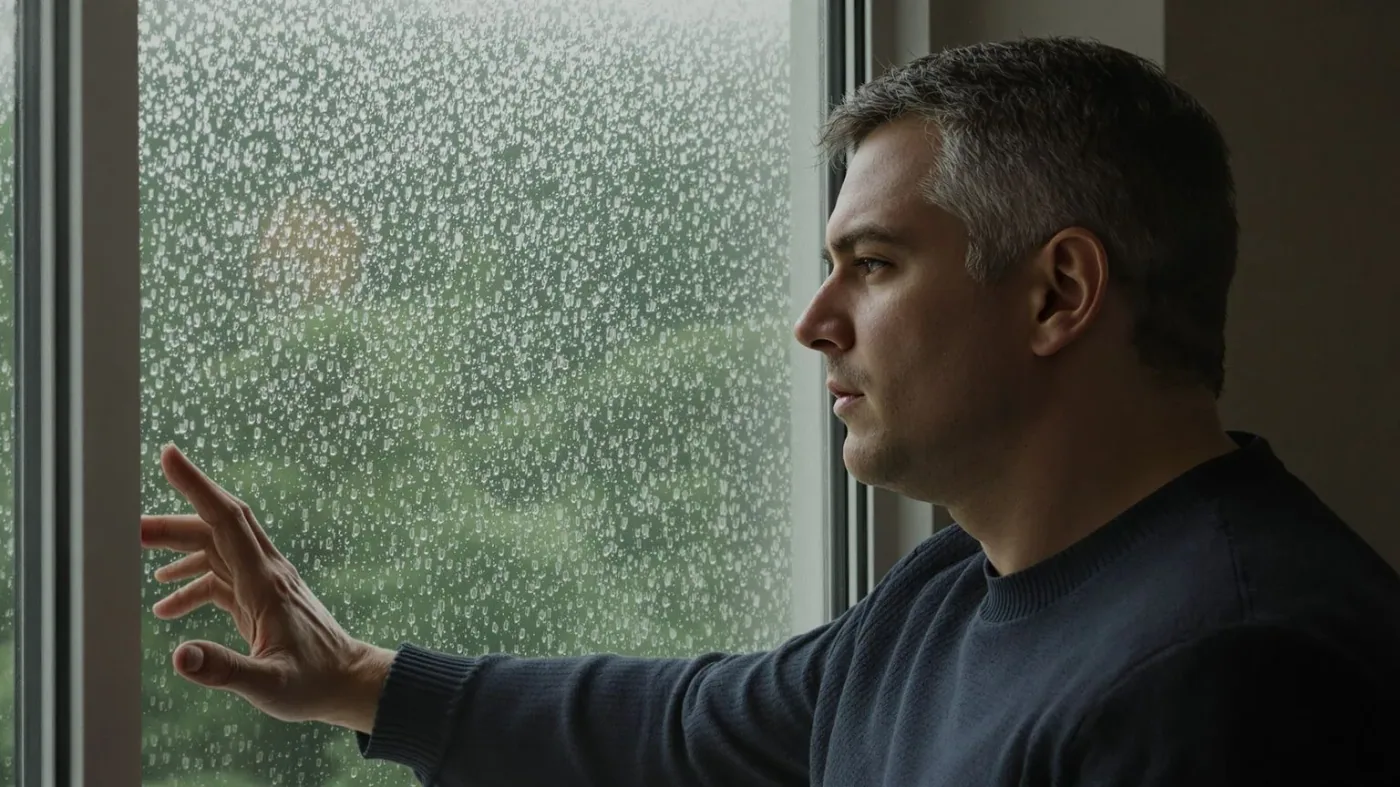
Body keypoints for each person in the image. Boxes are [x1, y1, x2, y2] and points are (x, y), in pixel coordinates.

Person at [139, 36, 1400, 786]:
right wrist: (363, 678)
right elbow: (686, 729)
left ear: (1057, 292)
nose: (811, 322)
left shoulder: (1234, 675)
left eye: (873, 263)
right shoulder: (951, 592)